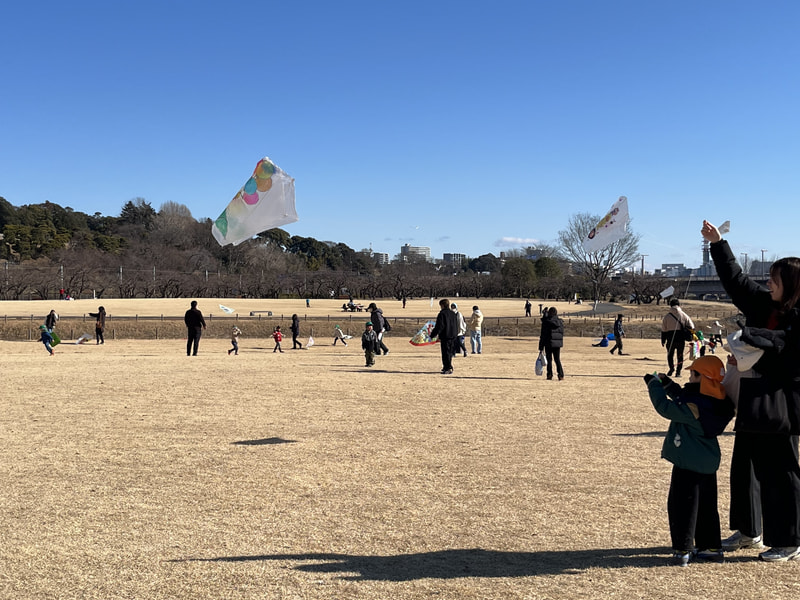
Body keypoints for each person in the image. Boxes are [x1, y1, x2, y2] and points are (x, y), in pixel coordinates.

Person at [702, 219, 800, 562]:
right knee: (744, 465)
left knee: (782, 470)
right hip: (753, 395)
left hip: (783, 402)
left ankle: (789, 539)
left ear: (791, 285)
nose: (768, 283)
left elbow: (787, 345)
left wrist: (750, 339)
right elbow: (736, 281)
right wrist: (718, 244)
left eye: (775, 279)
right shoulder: (763, 304)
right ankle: (749, 531)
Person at [644, 355, 735, 566]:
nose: (690, 376)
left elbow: (666, 408)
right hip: (707, 463)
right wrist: (668, 384)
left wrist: (654, 386)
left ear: (701, 377)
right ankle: (711, 548)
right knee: (706, 507)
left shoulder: (694, 406)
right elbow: (687, 397)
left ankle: (682, 550)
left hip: (687, 463)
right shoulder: (716, 401)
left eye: (693, 373)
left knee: (682, 506)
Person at [661, 299, 695, 377]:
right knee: (680, 355)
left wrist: (663, 340)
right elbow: (692, 326)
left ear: (670, 305)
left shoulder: (667, 316)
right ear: (679, 305)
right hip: (680, 338)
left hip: (670, 337)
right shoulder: (684, 315)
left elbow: (664, 329)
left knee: (670, 355)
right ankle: (678, 372)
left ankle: (671, 369)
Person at [430, 298, 458, 374]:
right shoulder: (453, 314)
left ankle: (448, 367)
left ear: (442, 305)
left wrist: (432, 335)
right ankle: (447, 366)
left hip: (446, 335)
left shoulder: (442, 314)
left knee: (445, 352)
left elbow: (440, 326)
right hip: (453, 335)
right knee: (450, 352)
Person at [538, 306, 565, 380]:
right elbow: (561, 333)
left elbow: (543, 335)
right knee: (557, 359)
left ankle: (549, 374)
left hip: (548, 342)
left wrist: (541, 346)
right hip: (557, 343)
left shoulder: (546, 322)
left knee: (549, 360)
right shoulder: (560, 322)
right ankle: (561, 375)